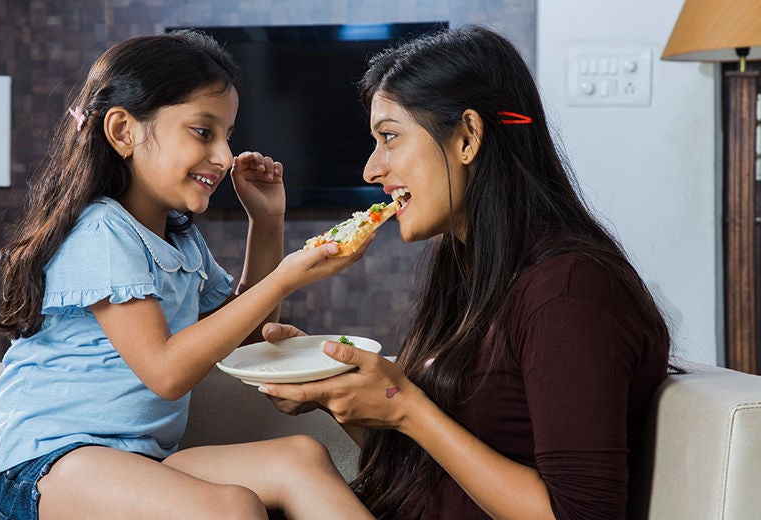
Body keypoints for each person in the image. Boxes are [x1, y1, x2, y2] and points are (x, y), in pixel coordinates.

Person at [258, 25, 671, 520]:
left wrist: (406, 406)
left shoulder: (568, 292)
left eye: (389, 136)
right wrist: (338, 390)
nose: (371, 169)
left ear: (468, 137)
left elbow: (581, 514)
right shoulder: (469, 268)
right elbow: (435, 475)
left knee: (284, 468)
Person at [0, 31, 375, 520]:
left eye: (228, 135)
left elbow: (243, 338)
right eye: (203, 131)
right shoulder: (100, 231)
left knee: (300, 458)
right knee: (228, 508)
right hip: (51, 463)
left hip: (141, 461)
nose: (225, 155)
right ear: (124, 131)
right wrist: (287, 278)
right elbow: (166, 373)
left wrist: (269, 223)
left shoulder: (179, 237)